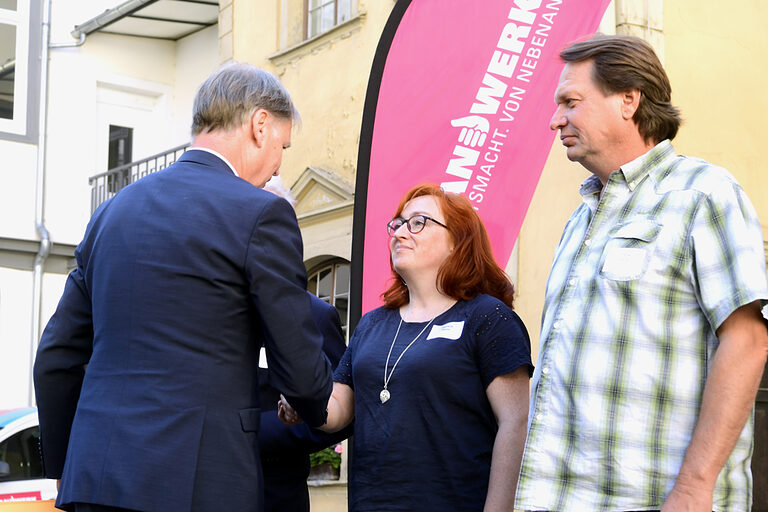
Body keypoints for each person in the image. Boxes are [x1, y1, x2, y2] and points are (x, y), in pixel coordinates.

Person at [33, 63, 333, 512]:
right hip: (200, 484)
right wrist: (315, 408)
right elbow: (301, 368)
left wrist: (67, 465)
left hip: (95, 480)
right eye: (282, 146)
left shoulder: (112, 213)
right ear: (259, 124)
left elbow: (56, 358)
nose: (277, 167)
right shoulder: (261, 214)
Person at [515, 35, 768, 511]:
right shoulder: (579, 219)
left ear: (629, 100)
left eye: (571, 101)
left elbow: (749, 341)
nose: (556, 119)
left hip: (659, 501)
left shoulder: (702, 192)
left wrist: (695, 487)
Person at [280, 184, 533, 511]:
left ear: (458, 241)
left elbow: (516, 422)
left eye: (418, 223)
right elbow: (338, 410)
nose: (400, 233)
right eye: (398, 224)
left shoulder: (487, 317)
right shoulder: (372, 323)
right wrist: (304, 398)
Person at [258, 177, 352, 512]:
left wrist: (251, 431)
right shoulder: (208, 307)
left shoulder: (316, 314)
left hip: (274, 497)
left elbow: (338, 414)